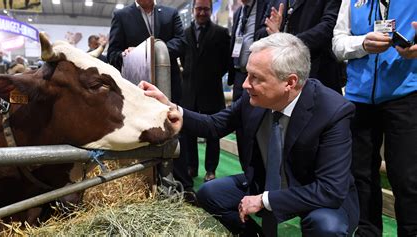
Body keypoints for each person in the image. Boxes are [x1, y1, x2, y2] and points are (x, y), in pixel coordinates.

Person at [140, 33, 359, 236]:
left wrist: (264, 200)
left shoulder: (333, 111)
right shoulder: (255, 98)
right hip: (266, 179)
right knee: (209, 193)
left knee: (327, 226)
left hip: (313, 192)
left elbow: (330, 189)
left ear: (290, 82)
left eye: (256, 77)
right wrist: (174, 109)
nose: (245, 84)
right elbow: (215, 125)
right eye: (247, 74)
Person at [332, 0, 417, 235]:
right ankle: (367, 232)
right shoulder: (351, 1)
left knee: (406, 176)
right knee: (361, 174)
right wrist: (363, 43)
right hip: (359, 97)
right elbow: (338, 43)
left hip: (406, 95)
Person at [107, 0, 191, 198]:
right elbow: (112, 54)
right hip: (138, 92)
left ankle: (183, 185)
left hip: (170, 88)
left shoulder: (170, 13)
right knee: (143, 134)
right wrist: (126, 55)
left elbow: (181, 42)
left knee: (177, 129)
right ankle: (144, 185)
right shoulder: (122, 16)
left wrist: (151, 51)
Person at [181, 0, 231, 182]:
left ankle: (211, 170)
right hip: (189, 92)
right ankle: (191, 167)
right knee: (188, 132)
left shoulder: (221, 33)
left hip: (212, 90)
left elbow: (227, 62)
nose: (202, 12)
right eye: (199, 9)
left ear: (211, 10)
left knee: (213, 132)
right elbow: (181, 57)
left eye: (206, 9)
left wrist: (212, 75)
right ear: (193, 9)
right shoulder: (184, 34)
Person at [263, 0, 344, 94]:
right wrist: (274, 32)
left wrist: (290, 42)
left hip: (317, 70)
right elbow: (261, 29)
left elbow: (329, 25)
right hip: (278, 70)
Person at [228, 0, 270, 102]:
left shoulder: (266, 5)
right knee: (237, 113)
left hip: (256, 74)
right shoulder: (238, 12)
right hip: (238, 73)